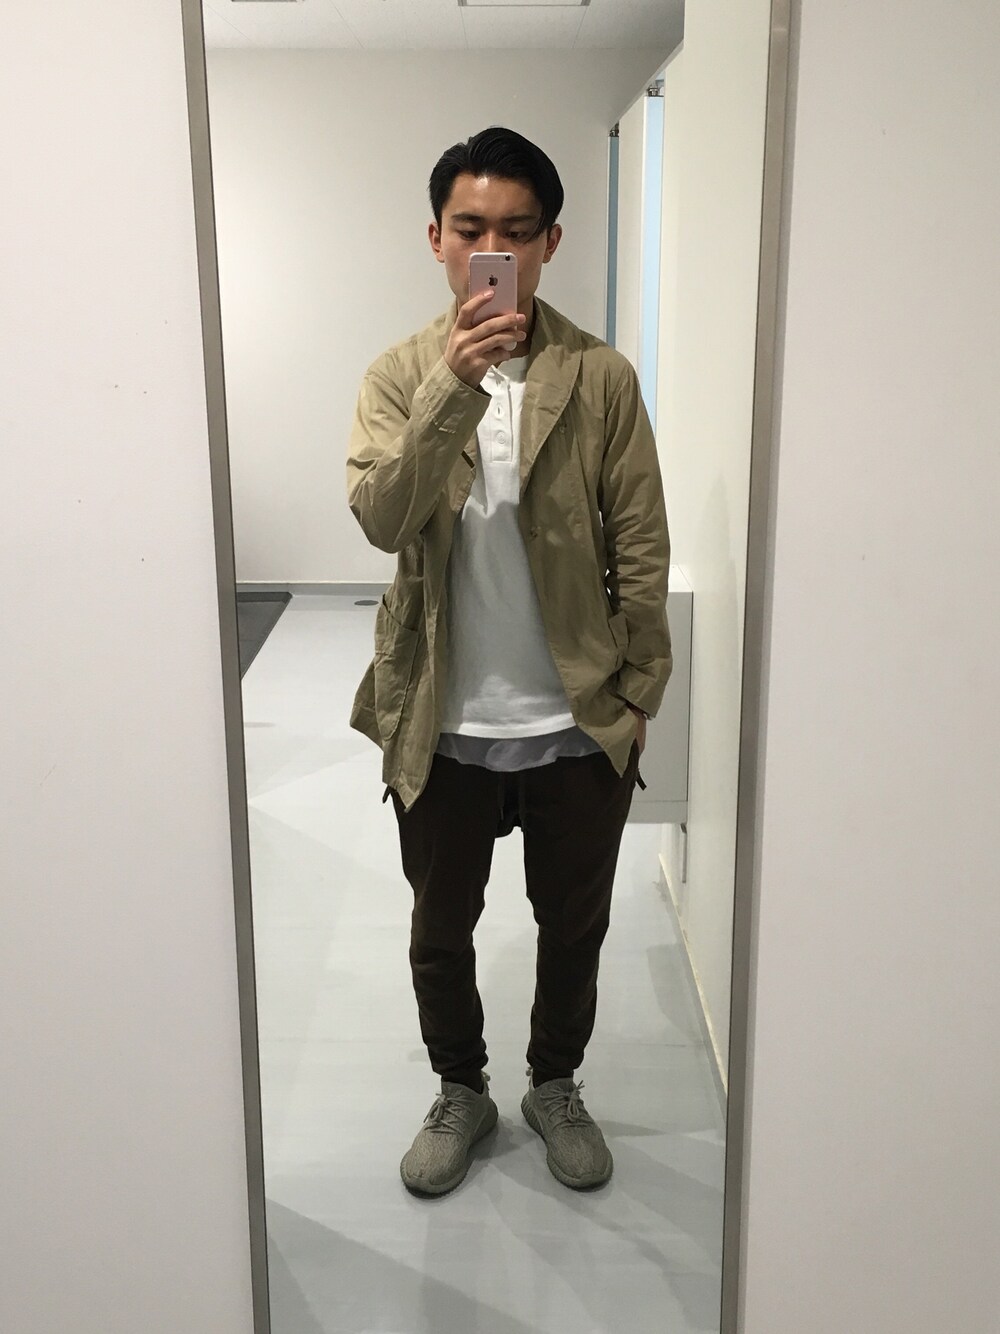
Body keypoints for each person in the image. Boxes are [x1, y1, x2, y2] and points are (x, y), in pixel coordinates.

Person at [347, 126, 671, 1198]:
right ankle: (460, 1088)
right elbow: (382, 518)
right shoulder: (399, 375)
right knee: (439, 930)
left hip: (576, 719)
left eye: (519, 231)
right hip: (442, 718)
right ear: (437, 238)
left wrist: (636, 695)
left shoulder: (600, 376)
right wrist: (454, 385)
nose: (496, 248)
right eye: (473, 227)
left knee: (573, 927)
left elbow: (641, 541)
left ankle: (555, 1083)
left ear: (550, 242)